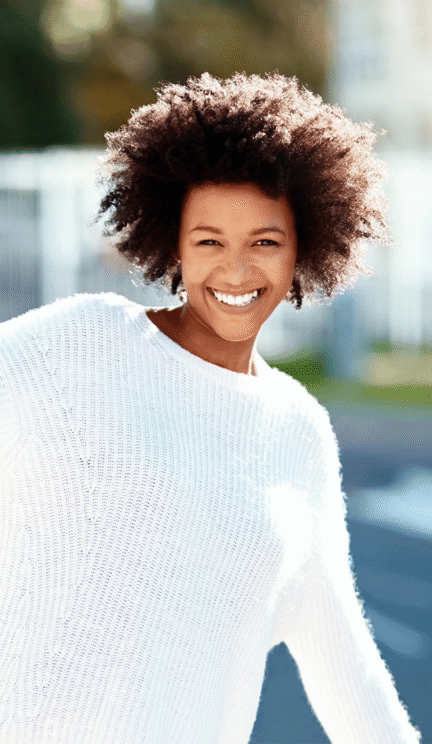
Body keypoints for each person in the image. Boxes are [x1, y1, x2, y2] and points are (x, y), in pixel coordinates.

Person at [0, 72, 422, 744]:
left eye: (265, 242)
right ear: (172, 242)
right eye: (209, 241)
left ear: (305, 247)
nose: (236, 270)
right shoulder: (80, 344)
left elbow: (349, 675)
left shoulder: (298, 430)